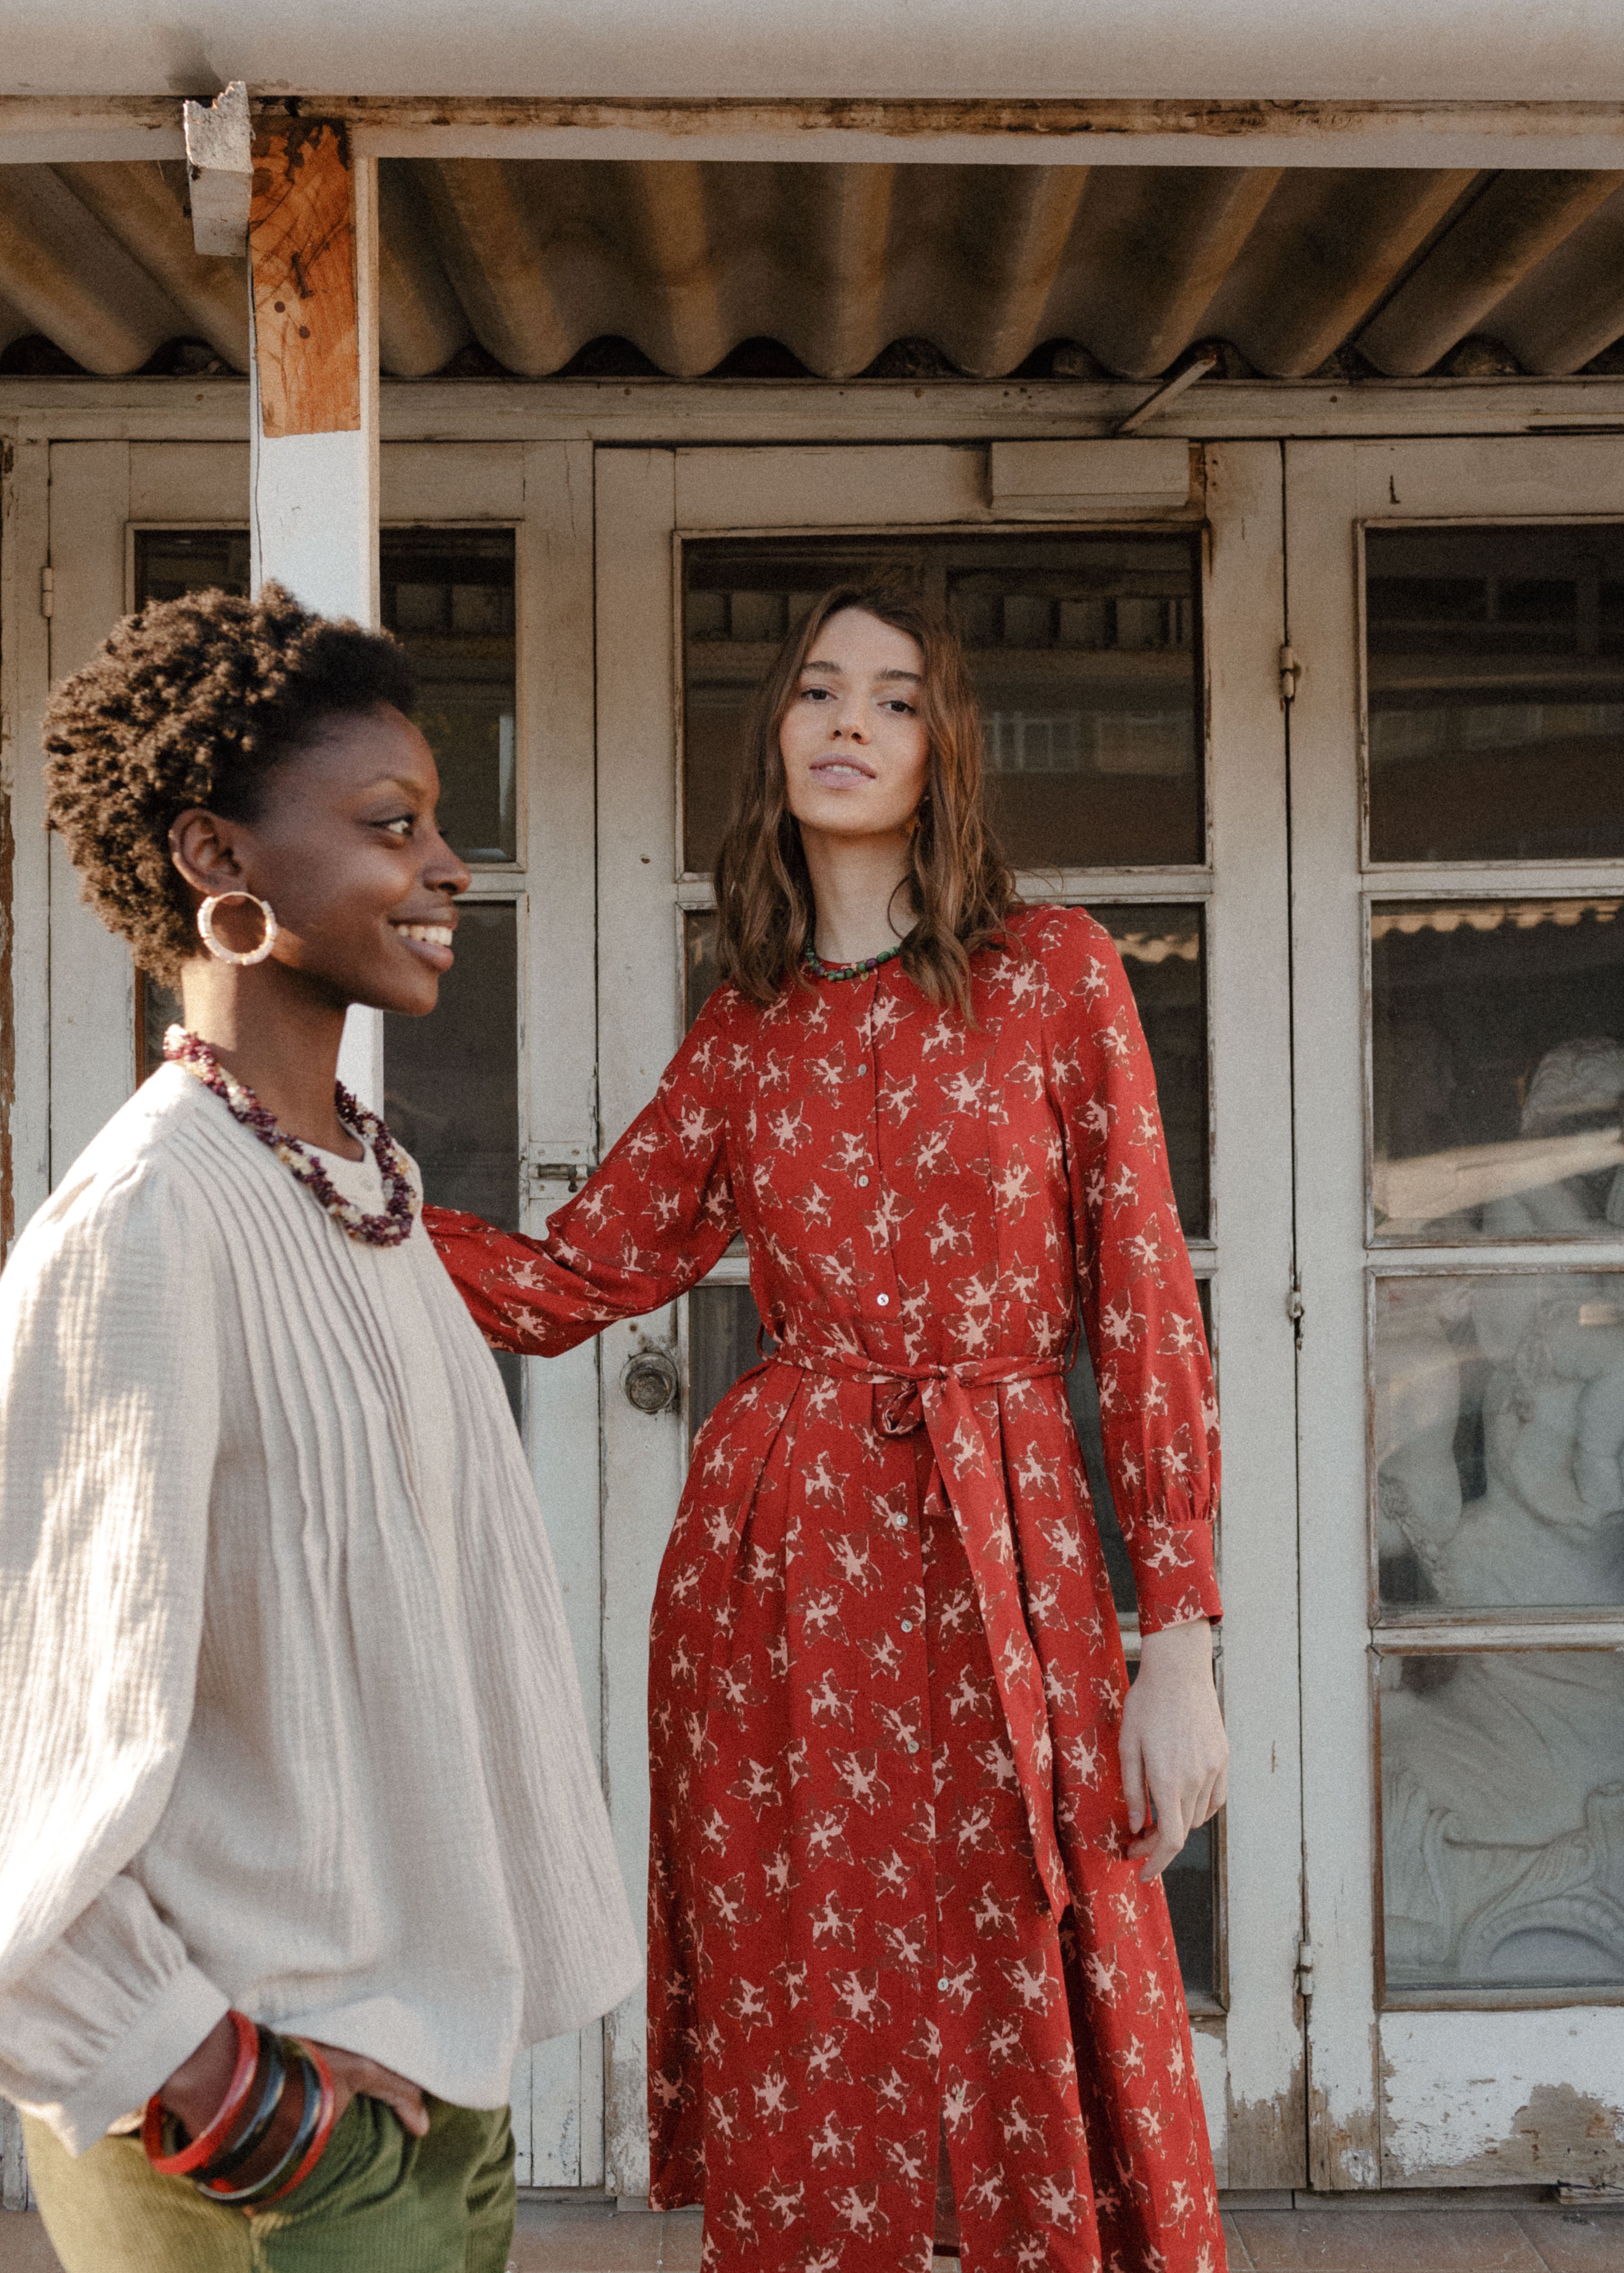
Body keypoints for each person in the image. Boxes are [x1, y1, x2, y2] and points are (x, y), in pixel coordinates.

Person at [427, 576, 1229, 2273]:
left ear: (949, 750)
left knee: (1049, 1953)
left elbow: (1150, 1304)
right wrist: (339, 1203)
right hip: (785, 1561)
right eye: (817, 692)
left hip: (1015, 1537)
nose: (849, 722)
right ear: (776, 738)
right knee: (818, 1977)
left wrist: (1186, 1646)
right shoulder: (748, 1037)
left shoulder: (1058, 978)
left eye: (895, 697)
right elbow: (575, 1280)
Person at [0, 584, 639, 2271]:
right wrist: (219, 2090)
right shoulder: (146, 1223)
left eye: (441, 826)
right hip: (257, 2146)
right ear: (220, 861)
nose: (449, 869)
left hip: (425, 2102)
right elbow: (21, 1734)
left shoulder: (360, 1193)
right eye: (390, 826)